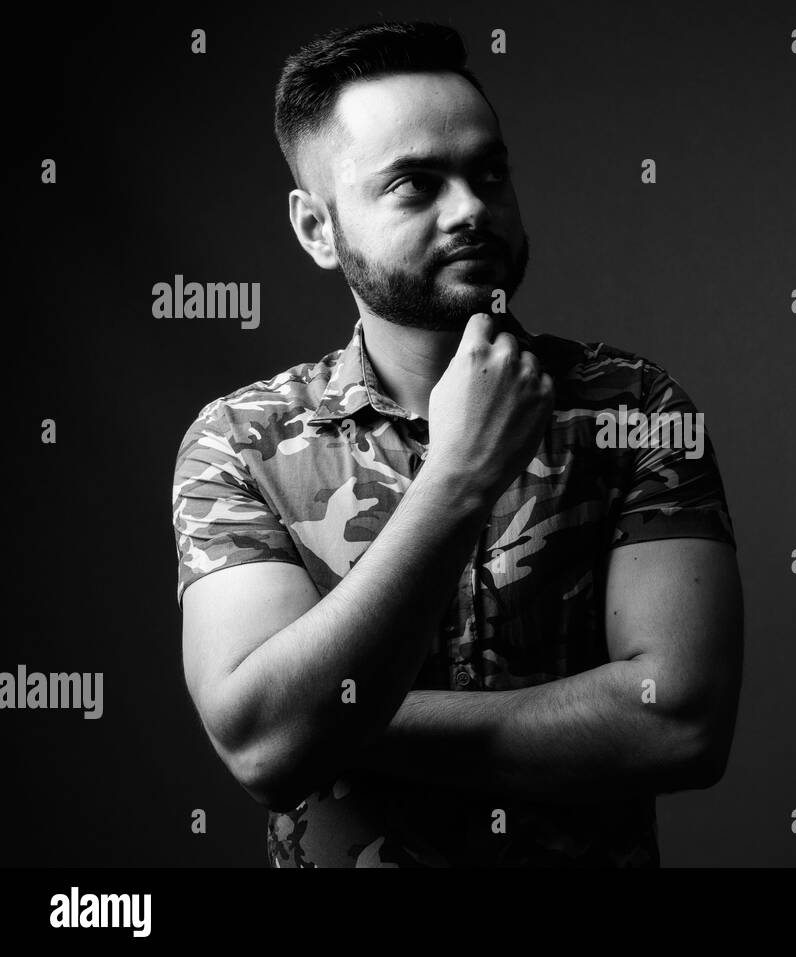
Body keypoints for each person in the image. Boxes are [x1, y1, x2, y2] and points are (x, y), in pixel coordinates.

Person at [171, 20, 743, 867]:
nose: (473, 208)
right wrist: (459, 480)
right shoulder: (240, 442)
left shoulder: (636, 407)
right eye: (414, 184)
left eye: (490, 173)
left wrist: (339, 720)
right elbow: (265, 748)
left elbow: (681, 724)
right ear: (317, 229)